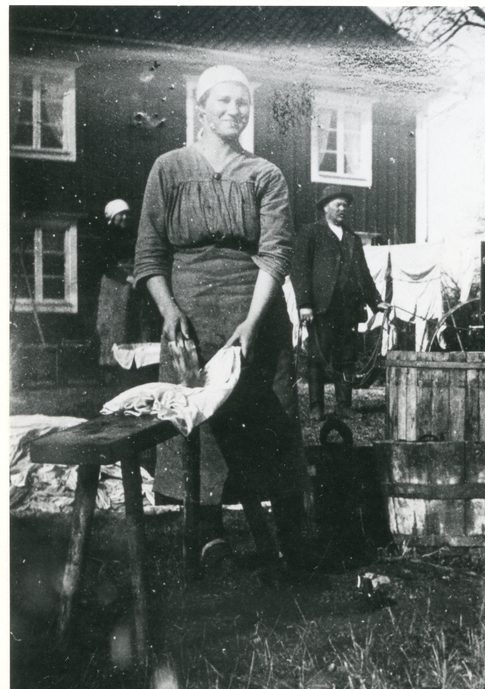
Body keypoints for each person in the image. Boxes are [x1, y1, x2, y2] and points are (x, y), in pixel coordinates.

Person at [134, 65, 312, 576]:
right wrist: (170, 311)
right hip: (190, 319)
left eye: (243, 103)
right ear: (202, 107)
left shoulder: (265, 174)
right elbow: (149, 254)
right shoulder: (169, 168)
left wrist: (252, 325)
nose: (235, 111)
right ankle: (209, 537)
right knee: (199, 427)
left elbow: (276, 255)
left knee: (272, 422)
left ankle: (293, 539)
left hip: (255, 316)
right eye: (224, 101)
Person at [292, 186, 382, 419]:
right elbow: (300, 270)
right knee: (317, 357)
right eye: (337, 204)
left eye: (345, 205)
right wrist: (305, 304)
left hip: (349, 309)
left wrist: (377, 302)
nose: (343, 209)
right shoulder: (310, 233)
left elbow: (363, 274)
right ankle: (316, 406)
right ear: (325, 207)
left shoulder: (352, 238)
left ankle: (344, 405)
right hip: (321, 309)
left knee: (347, 358)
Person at [96, 199, 161, 381]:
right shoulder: (106, 237)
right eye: (120, 214)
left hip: (134, 283)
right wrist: (126, 278)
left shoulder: (133, 234)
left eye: (126, 214)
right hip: (115, 286)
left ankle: (136, 365)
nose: (124, 217)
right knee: (116, 323)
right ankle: (111, 366)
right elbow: (104, 265)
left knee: (138, 321)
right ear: (112, 217)